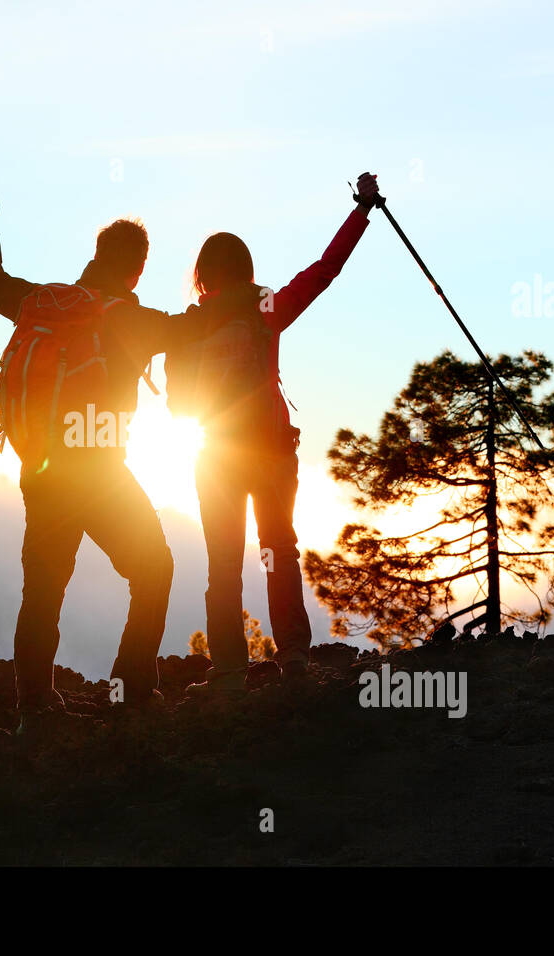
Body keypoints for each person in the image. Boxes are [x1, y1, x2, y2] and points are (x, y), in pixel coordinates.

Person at [0, 192, 210, 727]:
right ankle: (132, 689)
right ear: (138, 268)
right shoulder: (133, 319)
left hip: (44, 466)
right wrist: (235, 299)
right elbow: (190, 330)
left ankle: (35, 708)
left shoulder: (44, 303)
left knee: (44, 588)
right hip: (99, 472)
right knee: (154, 568)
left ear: (97, 254)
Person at [171, 172, 382, 697]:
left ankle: (226, 673)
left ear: (202, 276)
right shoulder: (266, 311)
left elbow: (178, 405)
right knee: (278, 550)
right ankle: (294, 659)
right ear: (246, 269)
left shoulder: (189, 326)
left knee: (222, 561)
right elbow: (323, 271)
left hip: (213, 455)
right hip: (270, 449)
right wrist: (362, 212)